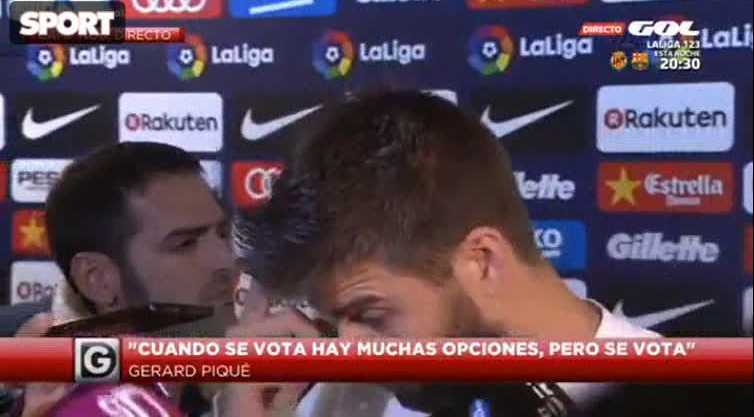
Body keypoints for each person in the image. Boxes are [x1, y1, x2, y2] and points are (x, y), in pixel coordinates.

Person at [222, 90, 661, 417]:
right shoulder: (341, 400)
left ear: (482, 261)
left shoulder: (668, 399)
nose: (350, 354)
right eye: (334, 323)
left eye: (371, 316)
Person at [6, 141, 238, 417]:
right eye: (185, 244)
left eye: (223, 234)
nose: (227, 261)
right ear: (98, 280)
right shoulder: (100, 405)